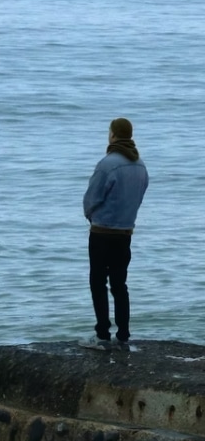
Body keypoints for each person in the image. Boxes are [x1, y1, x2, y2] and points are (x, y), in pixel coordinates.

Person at [79, 118, 149, 352]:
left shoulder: (108, 164)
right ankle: (123, 335)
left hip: (102, 232)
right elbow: (139, 197)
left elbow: (92, 198)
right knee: (120, 283)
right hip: (125, 233)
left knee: (98, 282)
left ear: (113, 135)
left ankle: (102, 335)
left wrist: (91, 216)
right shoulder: (140, 165)